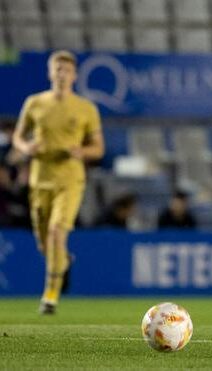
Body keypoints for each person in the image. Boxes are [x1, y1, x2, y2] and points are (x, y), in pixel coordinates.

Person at [12, 50, 105, 314]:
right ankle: (63, 261)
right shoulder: (35, 103)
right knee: (45, 243)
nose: (61, 74)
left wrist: (82, 152)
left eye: (66, 70)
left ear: (74, 75)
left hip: (70, 179)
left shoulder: (86, 108)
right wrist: (26, 147)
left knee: (56, 232)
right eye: (57, 69)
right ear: (49, 73)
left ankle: (50, 296)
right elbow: (18, 137)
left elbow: (98, 148)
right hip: (40, 179)